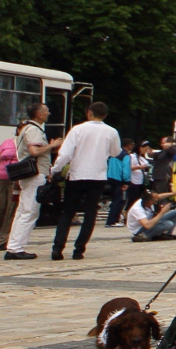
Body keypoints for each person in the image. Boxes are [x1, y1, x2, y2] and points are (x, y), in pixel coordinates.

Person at [47, 102, 121, 261]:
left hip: (77, 175)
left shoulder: (78, 129)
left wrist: (55, 170)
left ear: (89, 113)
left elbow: (65, 153)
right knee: (90, 214)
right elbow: (116, 152)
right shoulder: (111, 131)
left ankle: (58, 248)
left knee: (67, 212)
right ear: (105, 115)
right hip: (97, 176)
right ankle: (79, 249)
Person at [1, 105, 57, 260]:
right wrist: (52, 145)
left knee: (22, 210)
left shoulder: (26, 128)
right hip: (35, 174)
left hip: (29, 175)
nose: (48, 113)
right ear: (39, 114)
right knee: (30, 211)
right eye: (46, 111)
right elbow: (34, 152)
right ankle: (15, 248)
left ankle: (13, 245)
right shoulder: (33, 130)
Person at [105, 142, 134, 227]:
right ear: (128, 146)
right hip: (120, 180)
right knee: (119, 201)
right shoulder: (125, 155)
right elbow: (126, 170)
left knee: (114, 200)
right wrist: (126, 181)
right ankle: (112, 221)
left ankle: (112, 219)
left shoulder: (112, 155)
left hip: (110, 178)